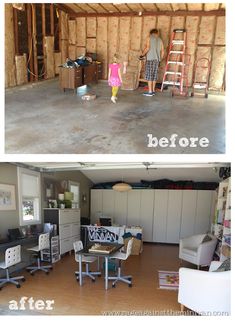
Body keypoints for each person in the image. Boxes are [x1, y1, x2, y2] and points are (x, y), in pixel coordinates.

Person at [141, 29, 164, 96]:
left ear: (151, 33)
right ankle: (153, 90)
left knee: (149, 75)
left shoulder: (149, 38)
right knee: (154, 76)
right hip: (157, 60)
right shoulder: (160, 40)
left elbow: (147, 48)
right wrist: (160, 59)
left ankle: (150, 91)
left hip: (150, 59)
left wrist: (142, 55)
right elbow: (162, 51)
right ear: (157, 33)